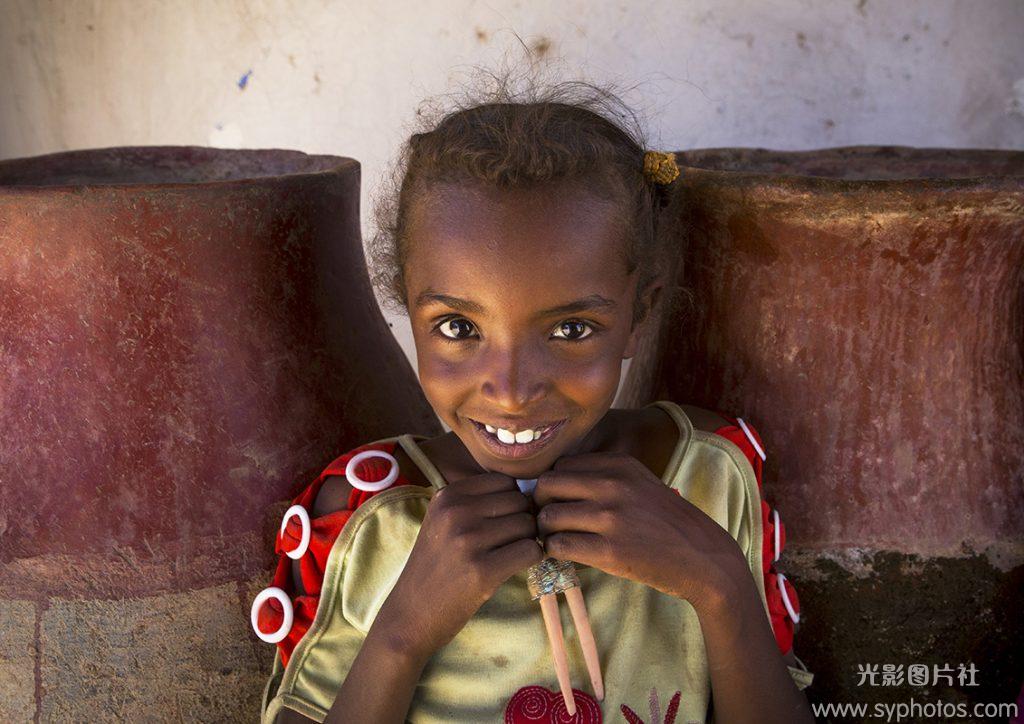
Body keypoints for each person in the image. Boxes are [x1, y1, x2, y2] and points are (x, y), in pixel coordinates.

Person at [253, 77, 815, 724]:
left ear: (640, 316)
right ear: (405, 309)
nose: (514, 391)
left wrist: (720, 587)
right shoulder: (368, 521)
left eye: (572, 330)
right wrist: (400, 637)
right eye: (459, 329)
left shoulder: (709, 480)